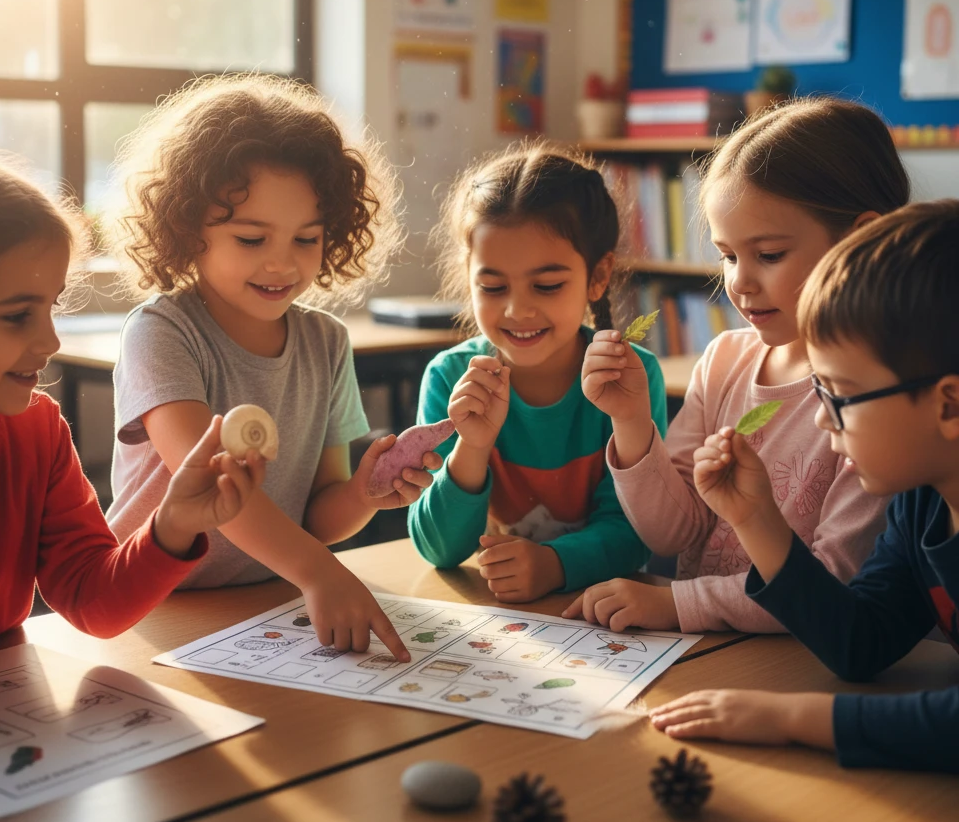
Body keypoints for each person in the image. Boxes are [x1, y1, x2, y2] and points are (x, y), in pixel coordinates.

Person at [107, 75, 434, 659]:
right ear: (186, 229)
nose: (282, 263)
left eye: (307, 239)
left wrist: (362, 493)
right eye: (252, 238)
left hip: (263, 605)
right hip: (152, 608)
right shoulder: (161, 333)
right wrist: (319, 574)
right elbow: (211, 485)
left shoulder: (326, 342)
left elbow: (317, 517)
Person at [565, 98, 910, 632]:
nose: (740, 283)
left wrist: (677, 605)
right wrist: (632, 423)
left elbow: (834, 583)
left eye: (768, 255)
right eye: (728, 256)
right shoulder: (726, 359)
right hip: (711, 654)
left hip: (806, 666)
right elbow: (674, 535)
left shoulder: (876, 399)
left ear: (859, 240)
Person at [651, 201, 959, 773]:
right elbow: (860, 643)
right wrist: (756, 520)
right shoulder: (921, 505)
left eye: (839, 394)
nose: (823, 417)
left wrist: (793, 720)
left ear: (948, 404)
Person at [0, 144, 264, 657]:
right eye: (18, 315)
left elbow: (93, 600)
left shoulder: (37, 430)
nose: (50, 342)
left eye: (53, 307)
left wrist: (173, 523)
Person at [408, 143, 666, 602]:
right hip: (500, 615)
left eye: (547, 286)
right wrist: (473, 444)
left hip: (598, 611)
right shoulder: (450, 379)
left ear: (598, 276)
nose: (517, 309)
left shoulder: (629, 378)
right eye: (492, 286)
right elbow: (439, 550)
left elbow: (639, 528)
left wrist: (555, 564)